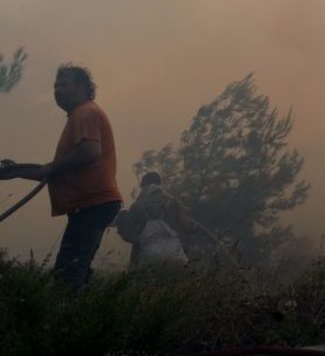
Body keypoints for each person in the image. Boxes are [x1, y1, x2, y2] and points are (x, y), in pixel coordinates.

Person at [9, 64, 123, 288]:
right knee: (77, 270)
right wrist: (15, 171)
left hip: (92, 203)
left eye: (63, 85)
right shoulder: (78, 117)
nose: (57, 91)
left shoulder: (85, 112)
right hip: (94, 203)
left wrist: (51, 168)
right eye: (55, 86)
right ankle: (86, 316)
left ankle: (69, 319)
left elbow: (90, 152)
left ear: (82, 87)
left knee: (67, 274)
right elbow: (52, 171)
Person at [116, 172, 195, 267]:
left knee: (137, 249)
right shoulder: (172, 202)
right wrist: (192, 228)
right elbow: (186, 228)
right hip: (175, 254)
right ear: (160, 184)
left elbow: (130, 234)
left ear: (142, 186)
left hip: (148, 255)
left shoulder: (136, 206)